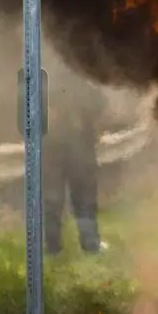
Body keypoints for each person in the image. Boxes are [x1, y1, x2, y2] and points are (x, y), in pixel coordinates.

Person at [43, 68, 107, 255]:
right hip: (80, 150)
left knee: (52, 201)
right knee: (84, 200)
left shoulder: (47, 79)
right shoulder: (84, 76)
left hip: (52, 150)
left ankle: (52, 248)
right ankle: (90, 245)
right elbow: (100, 106)